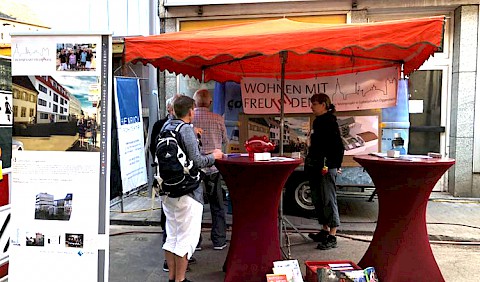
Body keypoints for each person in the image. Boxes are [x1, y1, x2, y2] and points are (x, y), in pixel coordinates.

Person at [161, 95, 223, 282]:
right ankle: (180, 279)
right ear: (190, 112)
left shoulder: (167, 127)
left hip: (168, 191)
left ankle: (172, 278)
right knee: (186, 240)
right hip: (187, 191)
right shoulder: (186, 129)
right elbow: (198, 162)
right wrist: (215, 156)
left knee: (172, 236)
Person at [305, 93, 344, 250]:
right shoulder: (318, 121)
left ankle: (332, 235)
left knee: (328, 199)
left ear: (323, 104)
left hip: (325, 167)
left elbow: (338, 146)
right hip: (315, 165)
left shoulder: (329, 122)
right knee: (318, 199)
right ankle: (324, 230)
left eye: (314, 104)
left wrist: (335, 165)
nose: (312, 107)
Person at [192, 89, 229, 251]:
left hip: (196, 169)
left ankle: (196, 241)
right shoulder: (218, 119)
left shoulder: (190, 120)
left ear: (194, 103)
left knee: (195, 206)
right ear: (210, 102)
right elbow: (225, 140)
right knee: (218, 205)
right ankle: (219, 240)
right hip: (214, 167)